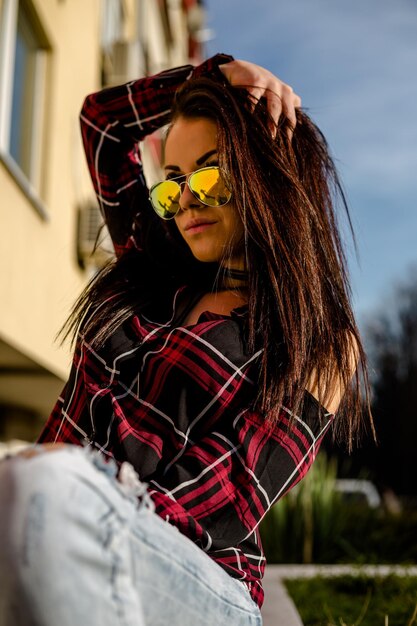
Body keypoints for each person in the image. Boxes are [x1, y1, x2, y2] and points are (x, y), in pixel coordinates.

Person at [0, 53, 371, 625]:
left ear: (268, 171)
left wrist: (82, 488)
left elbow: (231, 495)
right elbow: (102, 123)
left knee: (40, 491)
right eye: (172, 185)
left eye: (209, 171)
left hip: (195, 573)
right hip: (55, 515)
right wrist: (209, 76)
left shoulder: (320, 342)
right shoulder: (153, 269)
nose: (186, 200)